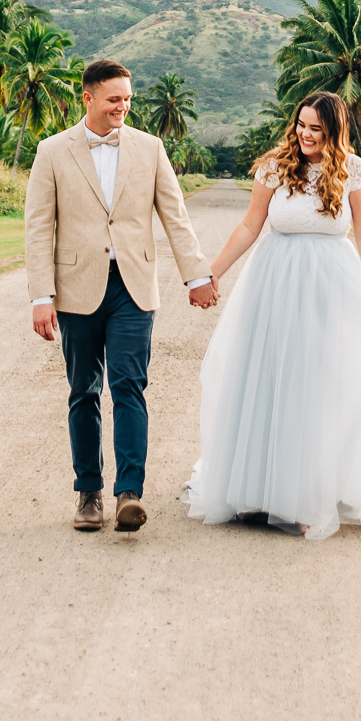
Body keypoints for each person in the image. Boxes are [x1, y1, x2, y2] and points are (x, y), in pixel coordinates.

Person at [183, 91, 361, 539]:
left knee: (317, 385)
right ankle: (255, 491)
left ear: (334, 132)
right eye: (301, 125)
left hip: (329, 288)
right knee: (267, 379)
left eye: (316, 129)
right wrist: (209, 273)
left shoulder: (354, 171)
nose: (305, 135)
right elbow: (250, 224)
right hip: (273, 284)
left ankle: (307, 496)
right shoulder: (274, 166)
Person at [25, 58, 217, 533]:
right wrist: (40, 295)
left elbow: (175, 215)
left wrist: (196, 276)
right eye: (115, 100)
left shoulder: (150, 149)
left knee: (130, 386)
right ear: (87, 97)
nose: (123, 108)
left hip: (134, 288)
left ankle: (130, 493)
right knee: (83, 391)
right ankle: (88, 494)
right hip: (75, 291)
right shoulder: (51, 151)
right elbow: (37, 228)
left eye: (128, 99)